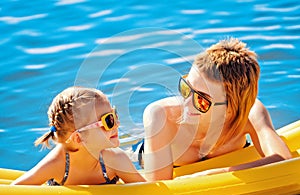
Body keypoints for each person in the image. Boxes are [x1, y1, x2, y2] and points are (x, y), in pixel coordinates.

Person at [142, 38, 292, 181]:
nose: (185, 103)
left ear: (230, 108)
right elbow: (158, 189)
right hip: (149, 153)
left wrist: (214, 174)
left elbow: (283, 161)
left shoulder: (249, 112)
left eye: (200, 99)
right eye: (186, 88)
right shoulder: (161, 116)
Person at [12, 86, 146, 185]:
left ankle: (142, 154)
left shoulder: (116, 159)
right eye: (108, 121)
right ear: (78, 138)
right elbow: (14, 191)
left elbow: (149, 194)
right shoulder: (57, 164)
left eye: (114, 114)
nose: (117, 124)